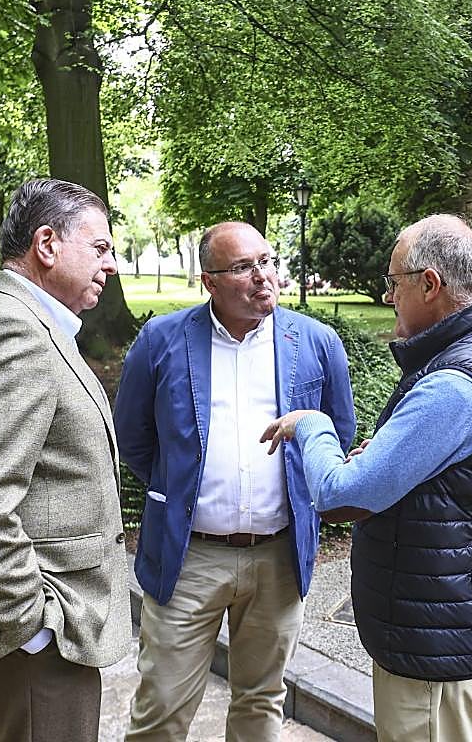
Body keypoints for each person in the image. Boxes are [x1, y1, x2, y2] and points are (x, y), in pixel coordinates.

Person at [261, 214, 472, 742]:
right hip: (451, 629)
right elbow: (461, 485)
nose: (388, 297)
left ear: (429, 284)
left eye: (393, 283)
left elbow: (343, 493)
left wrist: (312, 425)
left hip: (435, 657)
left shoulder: (452, 386)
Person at [116, 221, 356, 742]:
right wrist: (179, 492)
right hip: (188, 558)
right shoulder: (163, 340)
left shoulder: (315, 341)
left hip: (278, 556)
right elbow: (133, 439)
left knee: (261, 701)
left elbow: (335, 436)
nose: (262, 277)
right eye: (243, 267)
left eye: (267, 261)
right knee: (161, 706)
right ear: (210, 281)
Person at [0, 178, 131, 742]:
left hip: (38, 644)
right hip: (38, 644)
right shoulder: (14, 333)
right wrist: (31, 628)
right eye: (101, 247)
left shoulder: (26, 322)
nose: (110, 265)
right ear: (47, 244)